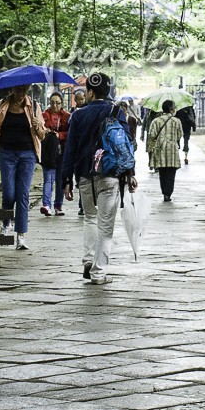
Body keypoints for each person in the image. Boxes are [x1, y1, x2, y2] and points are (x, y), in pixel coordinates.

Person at [60, 72, 138, 285]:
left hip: (85, 174)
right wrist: (130, 174)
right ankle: (98, 273)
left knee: (89, 218)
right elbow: (126, 146)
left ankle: (88, 260)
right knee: (105, 226)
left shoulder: (78, 116)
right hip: (110, 174)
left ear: (91, 92)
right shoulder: (116, 111)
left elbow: (70, 150)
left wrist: (66, 179)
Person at [0, 85, 43, 251]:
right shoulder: (3, 104)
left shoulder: (34, 106)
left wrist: (37, 125)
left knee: (22, 194)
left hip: (27, 155)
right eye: (18, 90)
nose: (21, 94)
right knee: (9, 193)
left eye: (24, 91)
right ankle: (6, 222)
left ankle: (21, 236)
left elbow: (42, 135)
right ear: (13, 90)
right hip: (7, 154)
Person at [147, 99, 184, 200]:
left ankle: (164, 192)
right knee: (171, 172)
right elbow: (180, 135)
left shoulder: (156, 121)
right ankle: (168, 192)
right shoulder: (176, 121)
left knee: (162, 172)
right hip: (172, 150)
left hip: (160, 149)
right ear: (171, 109)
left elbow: (152, 135)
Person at [40, 92, 70, 216]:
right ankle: (46, 205)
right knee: (48, 179)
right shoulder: (44, 115)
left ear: (61, 103)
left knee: (60, 180)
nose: (55, 105)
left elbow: (70, 133)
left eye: (57, 103)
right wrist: (46, 131)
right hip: (48, 151)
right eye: (52, 102)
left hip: (62, 151)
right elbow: (40, 130)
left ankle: (58, 205)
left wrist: (59, 135)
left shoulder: (67, 116)